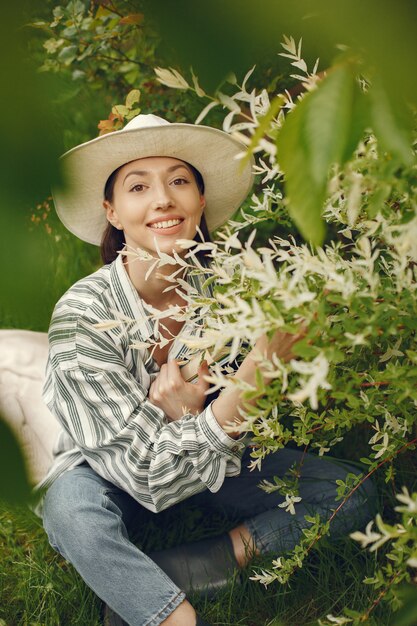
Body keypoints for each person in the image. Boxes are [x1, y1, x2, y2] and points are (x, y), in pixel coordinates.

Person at [37, 114, 375, 626]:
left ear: (199, 201)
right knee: (72, 513)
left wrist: (213, 406)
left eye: (179, 181)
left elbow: (254, 424)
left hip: (214, 464)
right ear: (112, 210)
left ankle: (202, 562)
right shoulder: (82, 315)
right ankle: (169, 613)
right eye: (138, 186)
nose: (163, 199)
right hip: (109, 474)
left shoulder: (234, 291)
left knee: (352, 495)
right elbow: (144, 475)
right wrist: (249, 382)